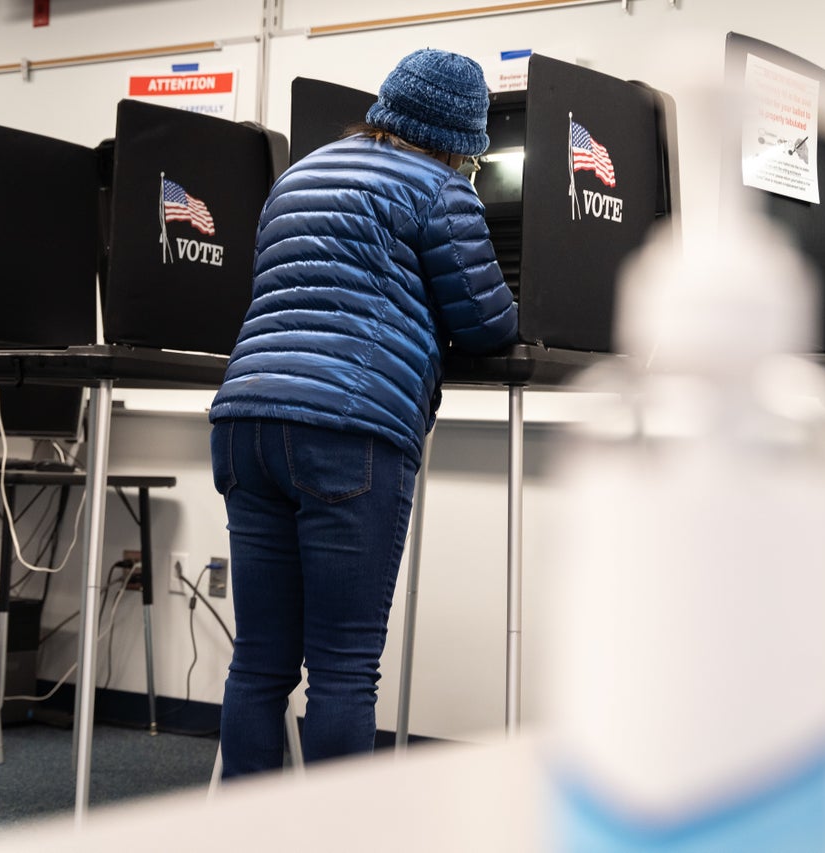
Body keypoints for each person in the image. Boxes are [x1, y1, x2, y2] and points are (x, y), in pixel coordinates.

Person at [208, 48, 519, 777]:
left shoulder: (299, 174)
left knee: (258, 663)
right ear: (462, 142)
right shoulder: (439, 188)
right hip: (348, 433)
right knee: (344, 669)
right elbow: (487, 322)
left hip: (245, 419)